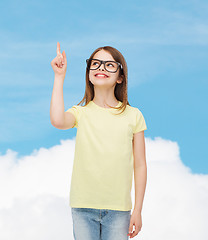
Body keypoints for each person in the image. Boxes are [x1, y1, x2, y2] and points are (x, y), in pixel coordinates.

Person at [50, 42, 147, 240]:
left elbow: (140, 165)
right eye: (95, 64)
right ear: (88, 73)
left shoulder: (133, 116)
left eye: (109, 65)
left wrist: (137, 210)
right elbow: (58, 120)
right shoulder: (80, 113)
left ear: (120, 77)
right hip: (83, 206)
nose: (101, 68)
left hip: (119, 208)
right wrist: (59, 77)